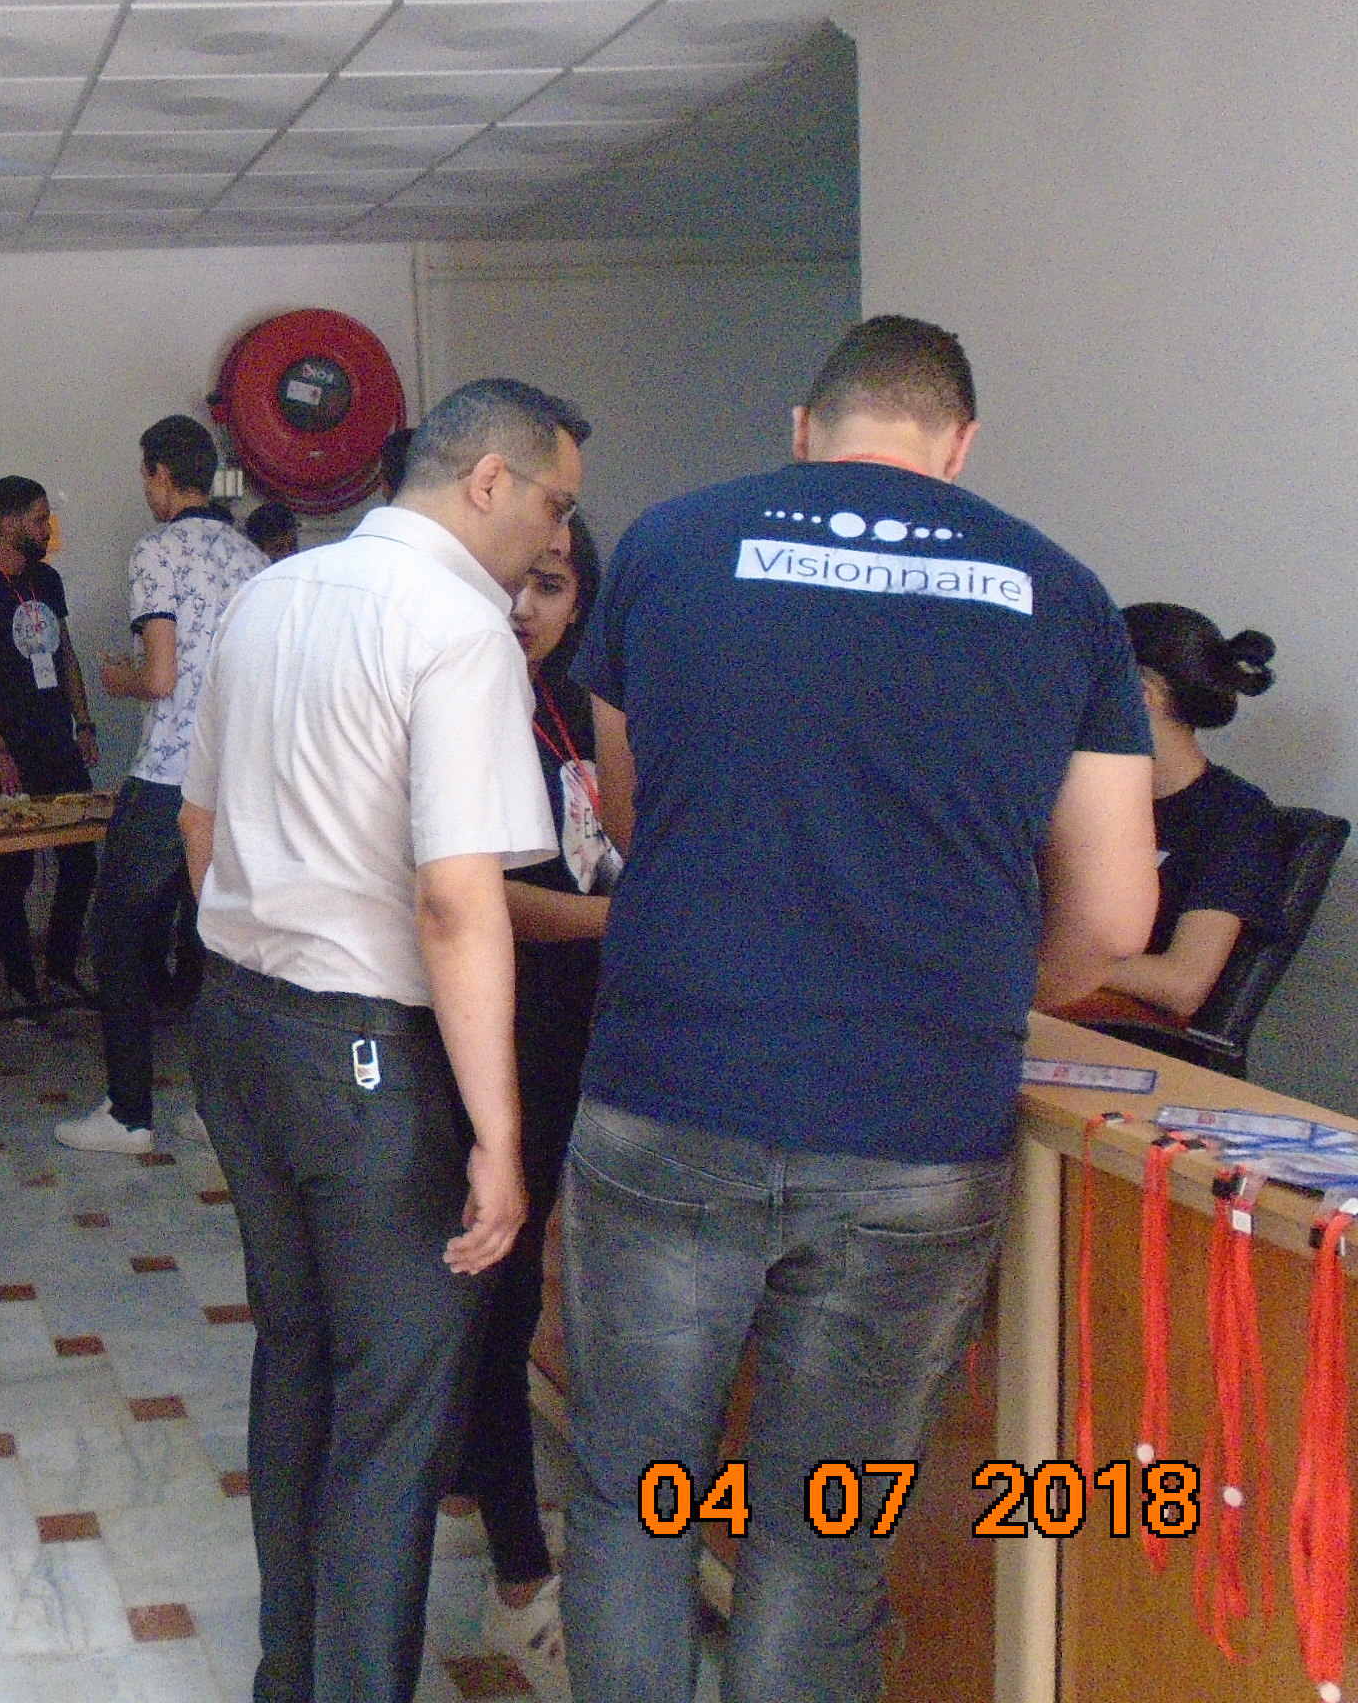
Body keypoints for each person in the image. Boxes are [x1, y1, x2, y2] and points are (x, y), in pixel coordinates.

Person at [561, 316, 1158, 1703]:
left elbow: (632, 812)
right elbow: (1118, 914)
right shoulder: (1062, 592)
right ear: (959, 446)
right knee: (824, 1533)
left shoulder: (669, 545)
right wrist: (976, 991)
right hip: (917, 1127)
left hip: (674, 1096)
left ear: (803, 428)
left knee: (633, 1500)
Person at [181, 378, 582, 1703]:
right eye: (552, 505)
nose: (553, 539)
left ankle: (288, 1678)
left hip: (241, 1028)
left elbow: (197, 823)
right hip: (362, 1054)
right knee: (394, 1411)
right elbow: (457, 900)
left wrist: (272, 941)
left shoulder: (272, 594)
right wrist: (500, 1137)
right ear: (488, 480)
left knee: (297, 1358)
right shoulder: (458, 626)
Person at [458, 513, 614, 1703]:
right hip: (484, 1041)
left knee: (532, 1298)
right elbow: (480, 898)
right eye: (511, 581)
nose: (525, 606)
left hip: (577, 1032)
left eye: (550, 585)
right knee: (495, 1302)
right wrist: (628, 919)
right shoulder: (462, 706)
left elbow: (598, 845)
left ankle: (477, 1465)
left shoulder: (571, 706)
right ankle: (519, 1579)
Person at [57, 414, 265, 1156]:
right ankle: (220, 1112)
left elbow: (160, 675)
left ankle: (129, 1113)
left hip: (168, 777)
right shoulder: (252, 558)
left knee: (116, 938)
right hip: (237, 782)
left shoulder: (158, 550)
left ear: (159, 474)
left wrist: (118, 677)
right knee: (220, 945)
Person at [1053, 604, 1284, 1029]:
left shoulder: (1236, 816)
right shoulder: (1073, 790)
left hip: (1116, 1034)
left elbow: (1182, 984)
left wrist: (1039, 956)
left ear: (1142, 694)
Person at [0, 476, 99, 1001]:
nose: (46, 527)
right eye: (38, 518)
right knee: (14, 871)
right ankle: (22, 985)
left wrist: (84, 723)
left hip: (57, 741)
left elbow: (65, 655)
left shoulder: (48, 580)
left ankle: (60, 966)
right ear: (7, 523)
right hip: (9, 751)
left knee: (80, 861)